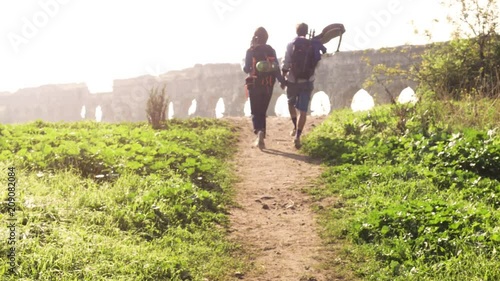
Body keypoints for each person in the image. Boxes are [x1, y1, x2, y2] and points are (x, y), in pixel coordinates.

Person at [282, 23, 325, 149]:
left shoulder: (291, 44)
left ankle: (295, 126)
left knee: (291, 103)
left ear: (296, 31)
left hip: (293, 80)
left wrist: (283, 77)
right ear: (306, 32)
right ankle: (298, 136)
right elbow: (317, 62)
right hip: (307, 81)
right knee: (303, 111)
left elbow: (286, 62)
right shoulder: (312, 44)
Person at [243, 27, 286, 149]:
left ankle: (259, 132)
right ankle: (262, 131)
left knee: (255, 111)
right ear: (266, 38)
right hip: (268, 85)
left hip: (255, 84)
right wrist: (282, 81)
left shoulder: (250, 51)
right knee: (262, 110)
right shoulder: (271, 50)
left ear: (255, 37)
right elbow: (276, 68)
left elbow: (247, 69)